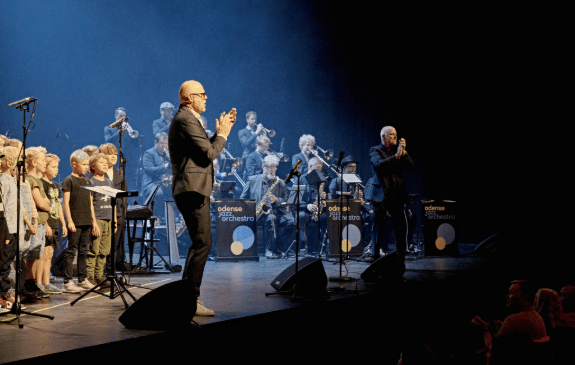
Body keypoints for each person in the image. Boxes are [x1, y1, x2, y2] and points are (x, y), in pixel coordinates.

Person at [168, 79, 236, 316]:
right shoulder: (185, 118)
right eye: (202, 94)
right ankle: (189, 299)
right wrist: (223, 135)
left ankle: (186, 297)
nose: (206, 97)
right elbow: (209, 153)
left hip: (194, 187)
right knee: (202, 242)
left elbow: (203, 150)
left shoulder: (188, 118)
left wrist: (217, 133)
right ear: (189, 98)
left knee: (200, 242)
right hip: (192, 188)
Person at [365, 126, 414, 275]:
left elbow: (410, 166)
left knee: (400, 226)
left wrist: (403, 152)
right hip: (381, 193)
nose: (394, 137)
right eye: (391, 135)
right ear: (383, 137)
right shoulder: (375, 150)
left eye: (395, 135)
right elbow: (379, 165)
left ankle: (400, 256)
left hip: (396, 194)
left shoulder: (398, 151)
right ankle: (375, 256)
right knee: (379, 226)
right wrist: (397, 156)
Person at [471, 280, 549, 364]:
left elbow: (492, 349)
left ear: (523, 296)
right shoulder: (537, 317)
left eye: (511, 293)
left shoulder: (512, 320)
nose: (507, 296)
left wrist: (485, 328)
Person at [240, 155, 295, 259]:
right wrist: (251, 210)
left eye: (275, 167)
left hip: (277, 212)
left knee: (291, 221)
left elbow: (287, 201)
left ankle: (281, 247)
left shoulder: (281, 182)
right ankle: (268, 250)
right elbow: (243, 199)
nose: (272, 170)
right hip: (258, 214)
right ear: (263, 167)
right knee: (271, 218)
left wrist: (277, 200)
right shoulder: (252, 180)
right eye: (270, 167)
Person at [0, 146, 34, 308]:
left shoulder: (13, 181)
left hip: (14, 229)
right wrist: (6, 231)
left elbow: (18, 208)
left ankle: (6, 294)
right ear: (9, 162)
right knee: (3, 264)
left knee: (7, 264)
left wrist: (20, 229)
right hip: (6, 229)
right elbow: (4, 208)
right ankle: (2, 295)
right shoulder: (2, 181)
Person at [61, 150, 99, 293]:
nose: (87, 167)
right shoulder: (68, 180)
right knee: (71, 251)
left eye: (87, 164)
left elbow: (90, 203)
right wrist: (69, 221)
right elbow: (65, 203)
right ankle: (67, 281)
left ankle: (82, 280)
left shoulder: (87, 180)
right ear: (74, 164)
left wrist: (93, 222)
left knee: (84, 251)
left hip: (86, 221)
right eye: (84, 164)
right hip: (75, 221)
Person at [329, 155, 375, 256]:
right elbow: (332, 198)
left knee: (373, 215)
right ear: (344, 168)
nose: (353, 169)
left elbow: (360, 197)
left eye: (354, 167)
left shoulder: (357, 179)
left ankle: (366, 245)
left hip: (356, 207)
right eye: (350, 167)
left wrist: (362, 199)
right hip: (342, 209)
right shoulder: (336, 180)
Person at [24, 147, 51, 299]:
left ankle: (32, 283)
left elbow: (46, 201)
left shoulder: (38, 180)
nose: (45, 164)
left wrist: (47, 203)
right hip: (36, 223)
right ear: (34, 162)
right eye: (42, 161)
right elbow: (42, 203)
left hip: (42, 222)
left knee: (36, 255)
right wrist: (47, 205)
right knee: (31, 255)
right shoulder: (31, 180)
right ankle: (28, 283)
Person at [85, 153, 115, 287]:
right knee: (93, 250)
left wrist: (113, 219)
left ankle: (99, 276)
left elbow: (113, 202)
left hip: (108, 219)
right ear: (93, 166)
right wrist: (94, 223)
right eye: (101, 162)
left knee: (104, 250)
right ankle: (90, 277)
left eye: (106, 162)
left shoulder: (109, 182)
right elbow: (90, 203)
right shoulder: (91, 182)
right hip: (97, 219)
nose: (105, 164)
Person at [99, 143, 127, 277]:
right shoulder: (98, 173)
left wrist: (123, 212)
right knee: (101, 246)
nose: (114, 157)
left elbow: (124, 193)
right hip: (103, 212)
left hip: (118, 213)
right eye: (111, 154)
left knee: (114, 246)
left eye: (115, 154)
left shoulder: (119, 172)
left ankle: (111, 273)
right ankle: (97, 274)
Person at [40, 153, 66, 294]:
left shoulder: (55, 185)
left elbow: (58, 205)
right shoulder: (41, 184)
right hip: (46, 223)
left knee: (50, 253)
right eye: (53, 167)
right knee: (43, 253)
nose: (56, 170)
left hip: (56, 223)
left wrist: (63, 222)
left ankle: (46, 280)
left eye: (57, 167)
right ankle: (41, 282)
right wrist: (46, 224)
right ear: (44, 167)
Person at [297, 157, 329, 256]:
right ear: (310, 167)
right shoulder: (301, 179)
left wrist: (325, 196)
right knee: (302, 216)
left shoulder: (322, 180)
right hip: (304, 209)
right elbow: (295, 200)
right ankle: (304, 247)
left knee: (329, 216)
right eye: (317, 168)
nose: (319, 171)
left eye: (320, 168)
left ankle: (325, 248)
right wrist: (306, 205)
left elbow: (327, 195)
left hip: (318, 208)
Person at [141, 132, 172, 224]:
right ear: (156, 142)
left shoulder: (167, 155)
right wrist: (165, 167)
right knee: (158, 194)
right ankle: (156, 216)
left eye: (166, 143)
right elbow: (149, 170)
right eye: (162, 143)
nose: (164, 146)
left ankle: (173, 217)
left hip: (164, 182)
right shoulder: (149, 153)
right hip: (151, 183)